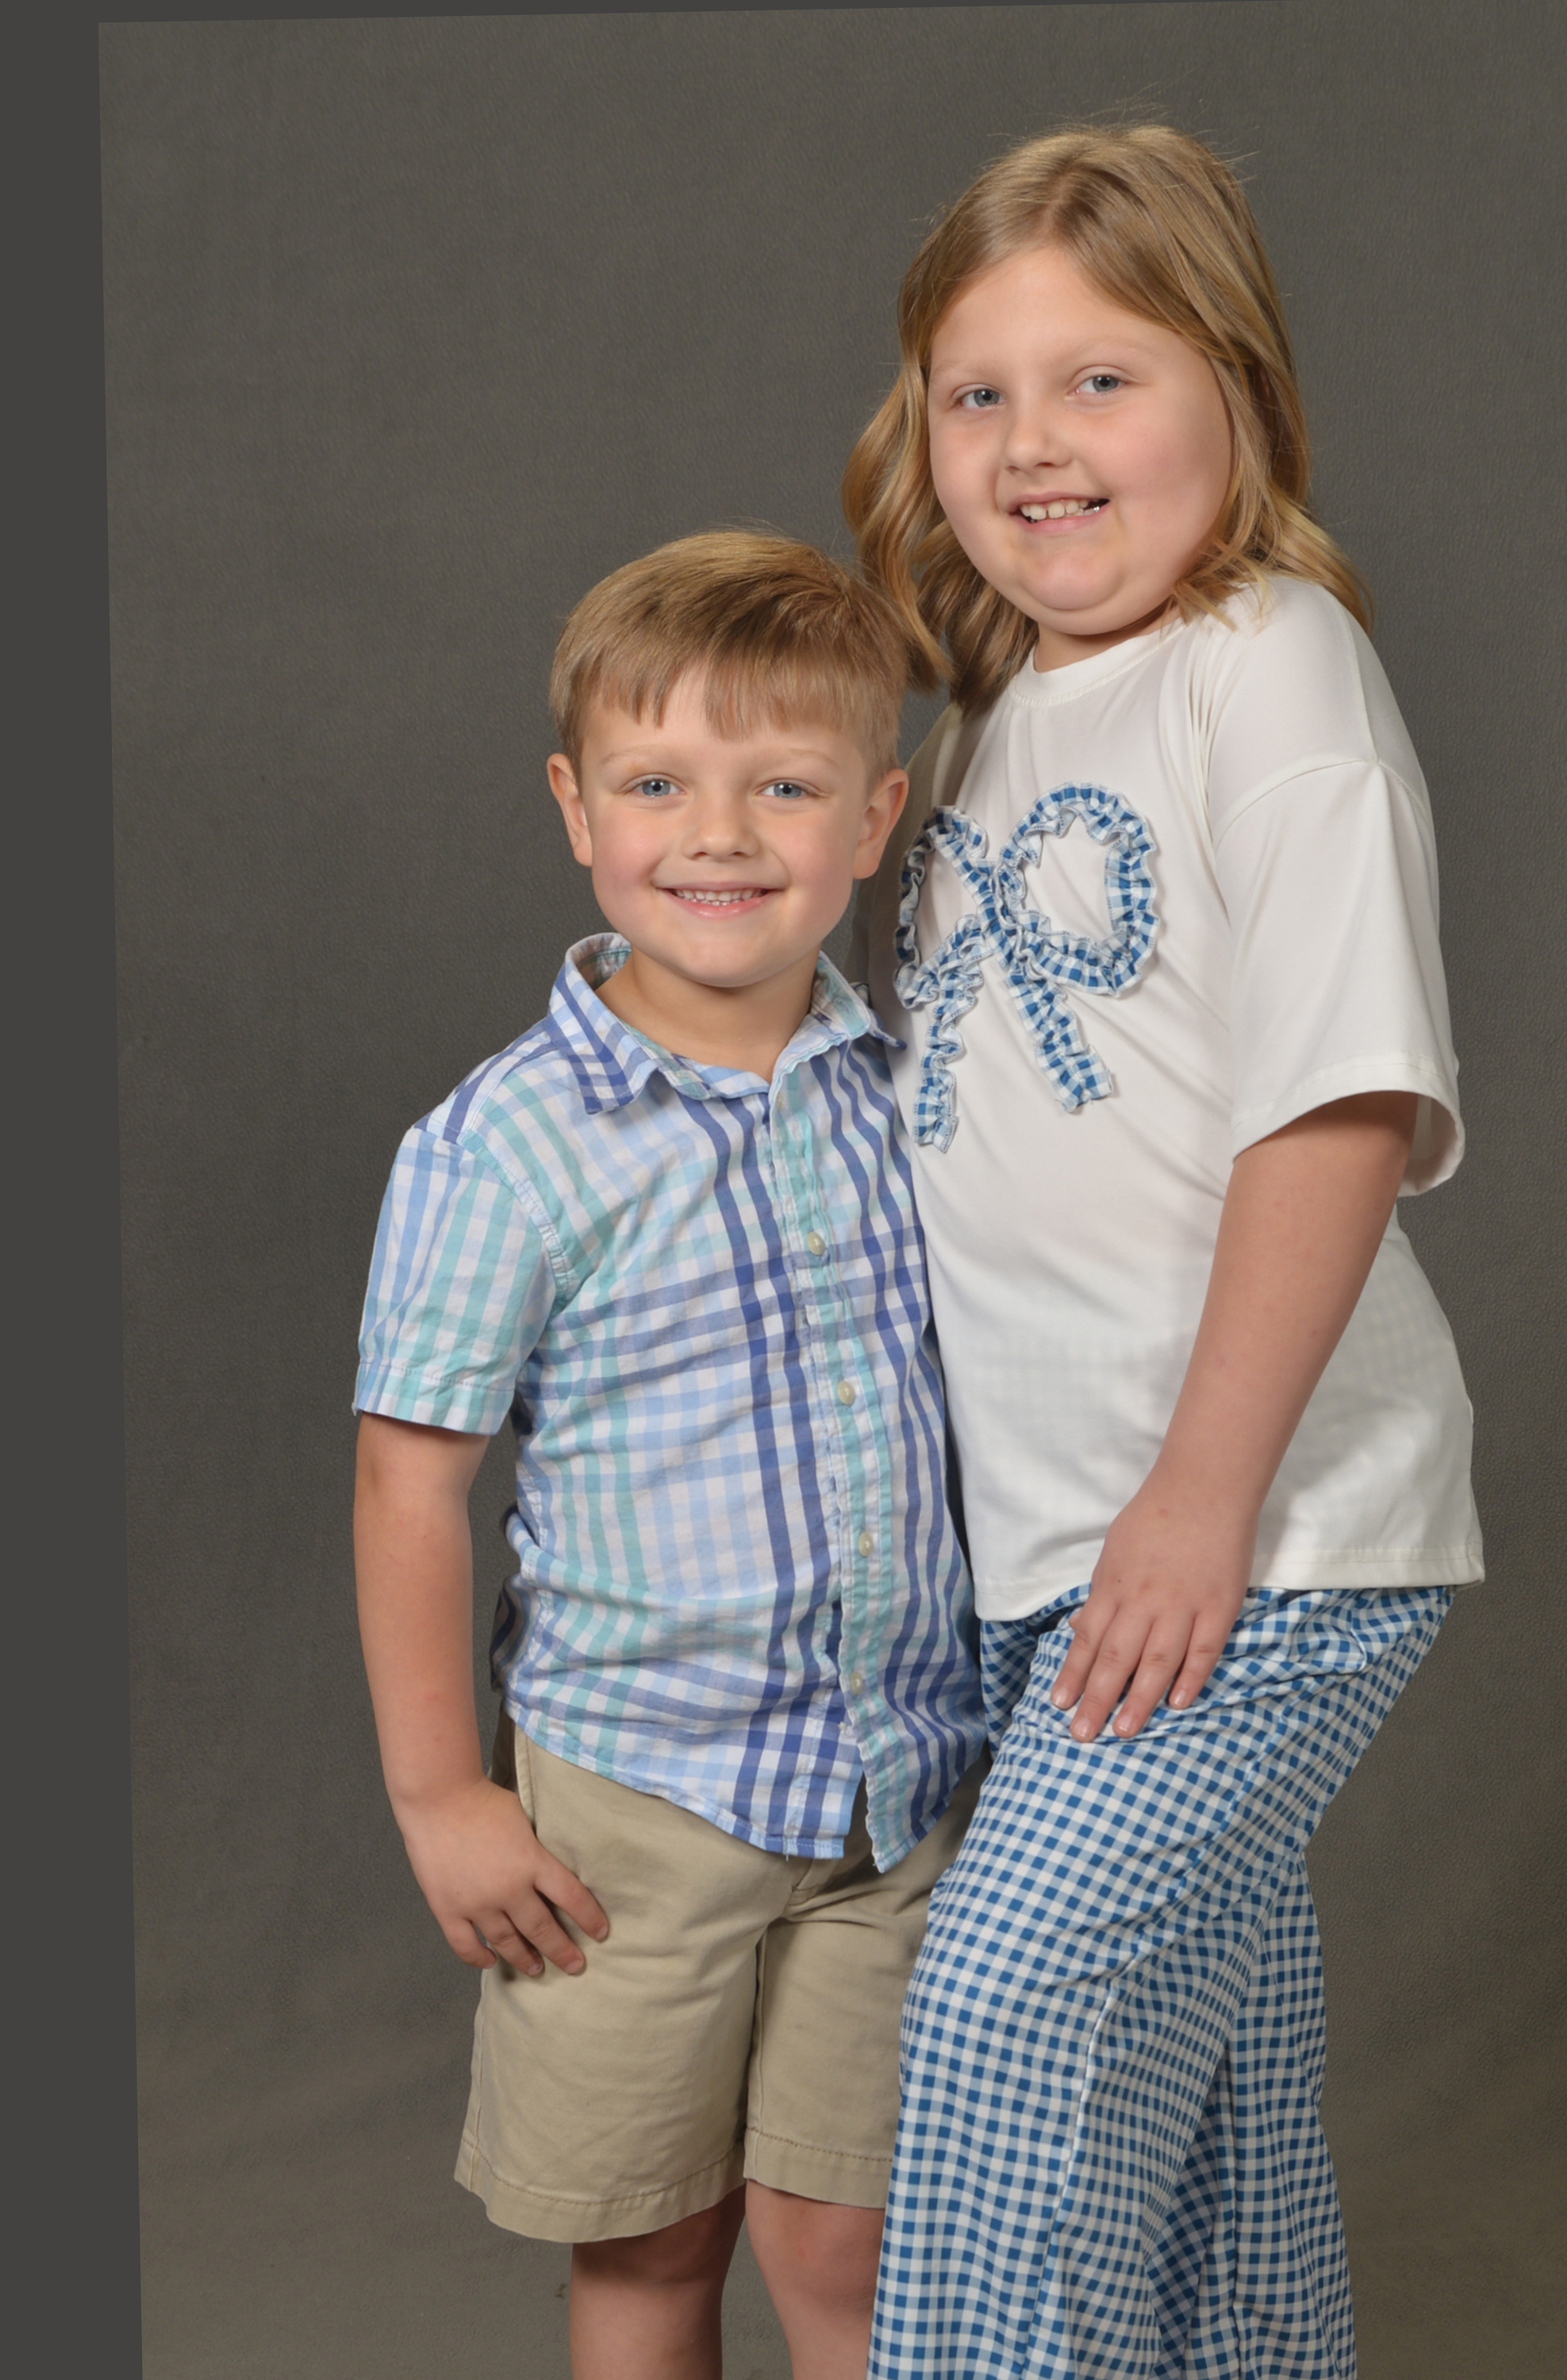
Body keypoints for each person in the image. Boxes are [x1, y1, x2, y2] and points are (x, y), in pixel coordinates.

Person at [842, 126, 1484, 2379]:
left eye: (1099, 381)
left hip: (1256, 1528)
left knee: (1010, 2021)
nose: (1032, 443)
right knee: (1210, 2119)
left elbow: (1340, 1105)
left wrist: (1202, 1499)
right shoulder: (995, 722)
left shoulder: (1269, 664)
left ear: (1239, 390)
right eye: (979, 393)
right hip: (1055, 1548)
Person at [352, 532, 986, 2380]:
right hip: (636, 1792)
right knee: (647, 2242)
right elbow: (411, 1483)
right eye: (657, 786)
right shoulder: (504, 1147)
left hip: (897, 1776)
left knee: (856, 2239)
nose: (720, 836)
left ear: (873, 819)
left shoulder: (911, 1095)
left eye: (783, 787)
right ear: (577, 809)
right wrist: (439, 1798)